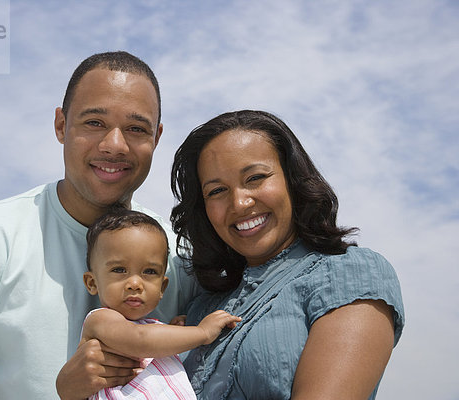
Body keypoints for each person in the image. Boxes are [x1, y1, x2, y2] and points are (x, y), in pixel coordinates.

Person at [0, 51, 199, 399]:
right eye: (94, 122)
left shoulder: (180, 259)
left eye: (135, 128)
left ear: (156, 138)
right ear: (61, 125)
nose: (114, 145)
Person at [170, 110, 405, 399]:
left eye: (255, 177)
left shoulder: (352, 275)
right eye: (217, 190)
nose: (240, 203)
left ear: (292, 180)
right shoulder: (199, 306)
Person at [81, 206, 240, 399]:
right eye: (119, 270)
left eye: (149, 272)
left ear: (162, 288)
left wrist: (173, 332)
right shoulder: (100, 320)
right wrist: (202, 332)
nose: (134, 284)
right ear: (92, 283)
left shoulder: (151, 328)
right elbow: (140, 340)